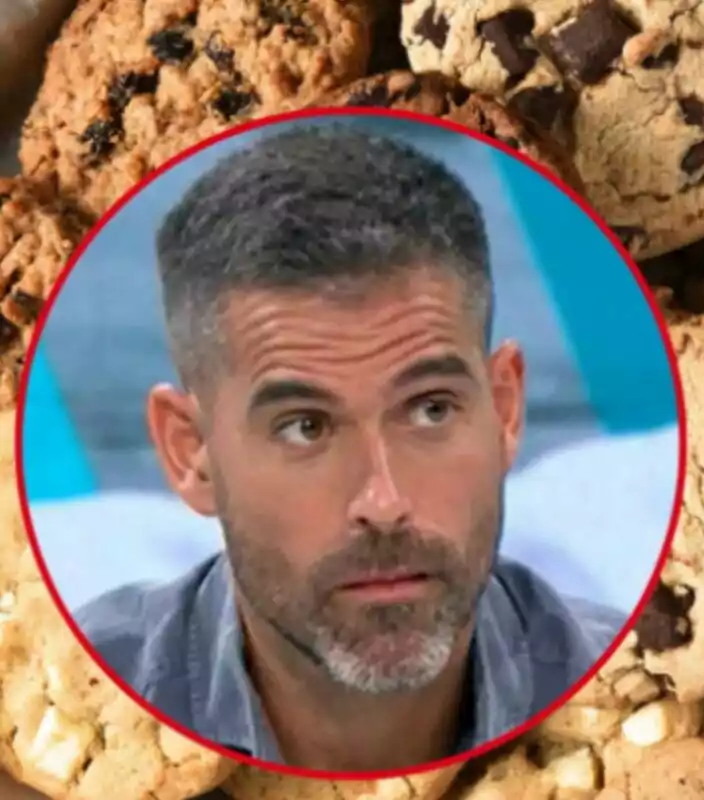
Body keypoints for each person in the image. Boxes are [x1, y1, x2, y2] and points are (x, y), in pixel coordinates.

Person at [73, 124, 628, 773]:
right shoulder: (80, 701)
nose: (384, 502)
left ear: (504, 409)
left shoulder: (633, 680)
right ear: (190, 452)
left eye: (430, 410)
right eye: (305, 426)